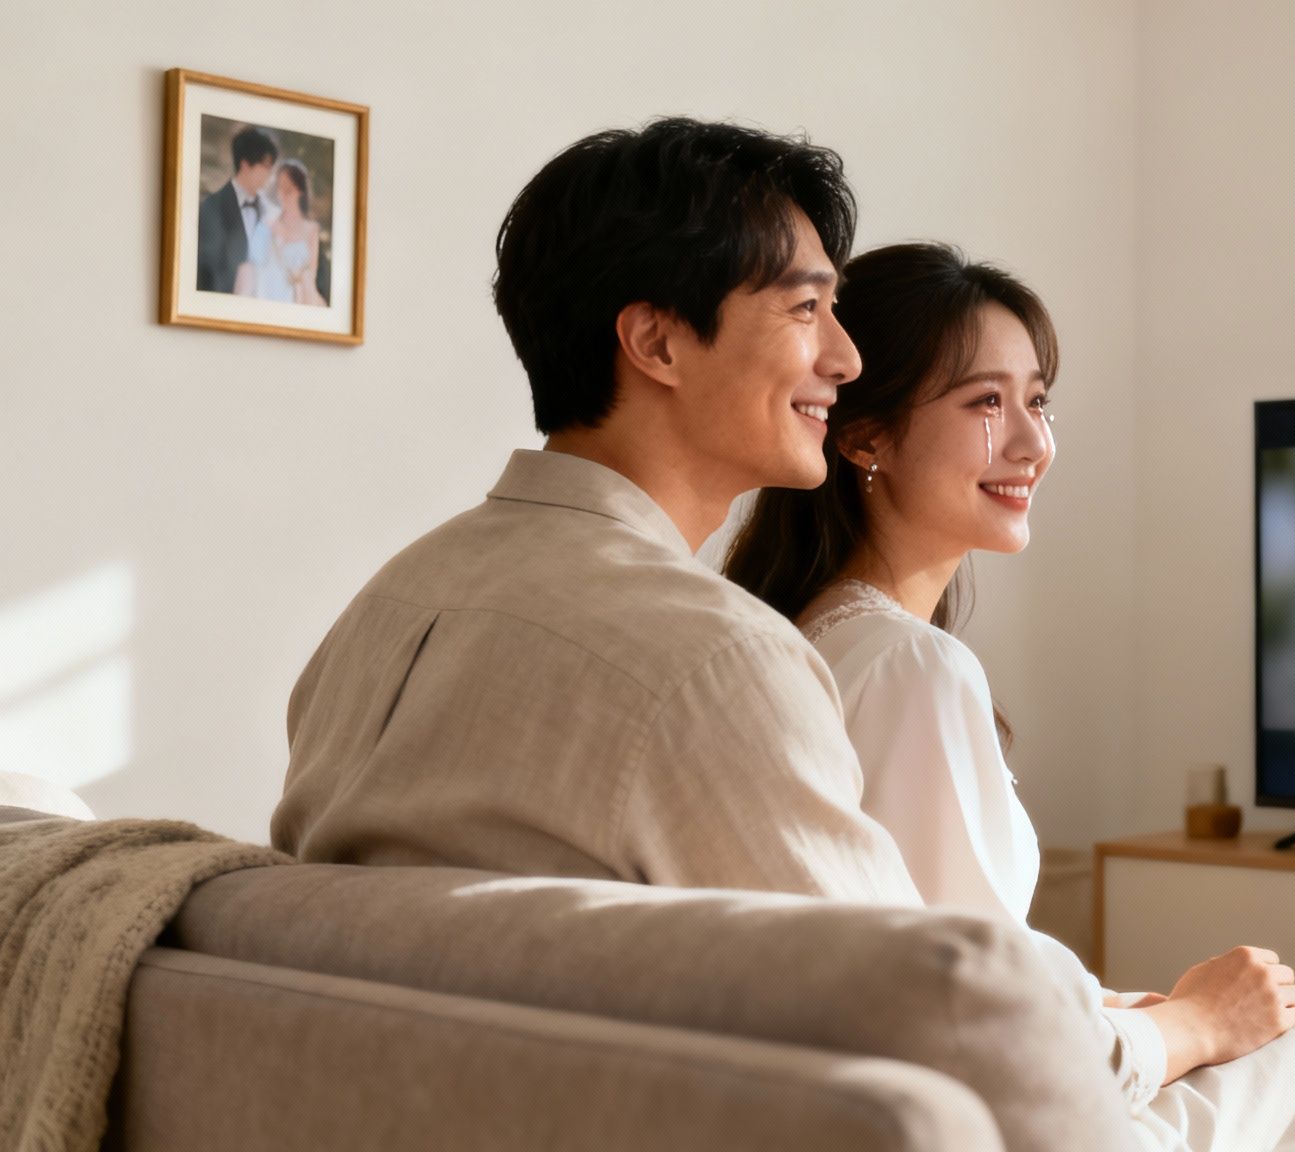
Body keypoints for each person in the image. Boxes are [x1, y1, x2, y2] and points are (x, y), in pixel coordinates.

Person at [725, 242, 1295, 1152]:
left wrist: (1112, 1003)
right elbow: (983, 1031)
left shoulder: (806, 642)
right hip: (1043, 1124)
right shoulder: (908, 668)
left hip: (1002, 1086)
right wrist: (1195, 1025)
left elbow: (932, 955)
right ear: (864, 435)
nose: (1035, 443)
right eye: (985, 403)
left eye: (1037, 400)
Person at [271, 117, 919, 905]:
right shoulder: (718, 660)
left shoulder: (381, 611)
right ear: (657, 342)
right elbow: (896, 1002)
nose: (847, 358)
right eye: (806, 308)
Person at [196, 125, 277, 295]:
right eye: (265, 166)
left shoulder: (273, 211)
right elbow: (209, 273)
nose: (270, 174)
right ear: (245, 164)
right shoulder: (212, 208)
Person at [237, 158, 325, 305]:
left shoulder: (312, 230)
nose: (283, 194)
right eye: (280, 187)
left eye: (288, 189)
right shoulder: (266, 225)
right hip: (266, 296)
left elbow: (311, 276)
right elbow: (250, 268)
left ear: (300, 190)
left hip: (299, 300)